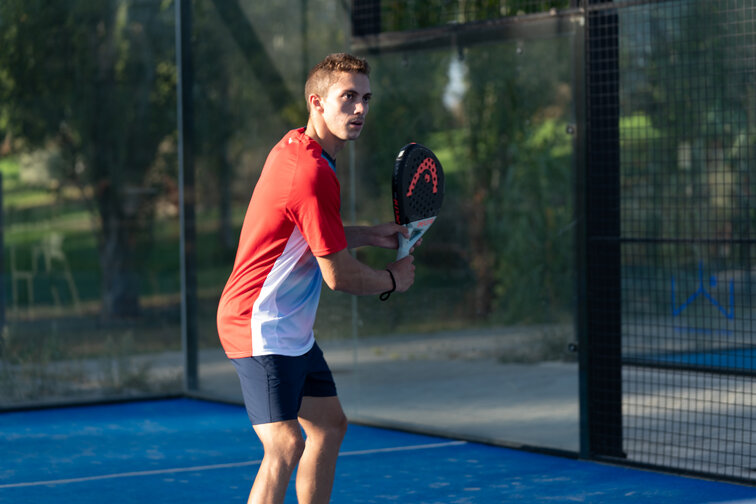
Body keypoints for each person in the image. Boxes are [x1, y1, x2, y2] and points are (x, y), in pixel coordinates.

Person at [216, 53, 418, 504]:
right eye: (348, 97)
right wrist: (392, 280)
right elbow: (339, 276)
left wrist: (368, 234)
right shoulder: (310, 172)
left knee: (328, 426)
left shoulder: (300, 151)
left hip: (291, 329)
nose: (360, 109)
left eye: (366, 98)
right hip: (258, 324)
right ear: (317, 102)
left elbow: (305, 234)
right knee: (285, 444)